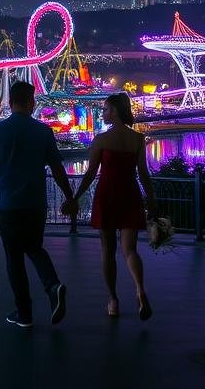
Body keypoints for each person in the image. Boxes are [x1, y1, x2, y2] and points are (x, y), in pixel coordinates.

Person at [0, 81, 75, 328]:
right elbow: (57, 169)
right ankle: (52, 286)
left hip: (8, 206)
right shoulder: (43, 131)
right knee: (35, 247)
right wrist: (69, 196)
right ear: (32, 103)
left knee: (14, 259)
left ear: (10, 102)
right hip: (36, 204)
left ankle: (24, 314)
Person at [72, 92, 156, 320]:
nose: (103, 113)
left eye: (106, 109)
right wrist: (151, 200)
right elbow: (144, 174)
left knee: (107, 251)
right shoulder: (137, 139)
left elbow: (90, 174)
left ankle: (113, 300)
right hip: (130, 194)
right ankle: (139, 290)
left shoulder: (101, 140)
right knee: (130, 250)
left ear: (115, 111)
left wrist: (76, 197)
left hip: (107, 195)